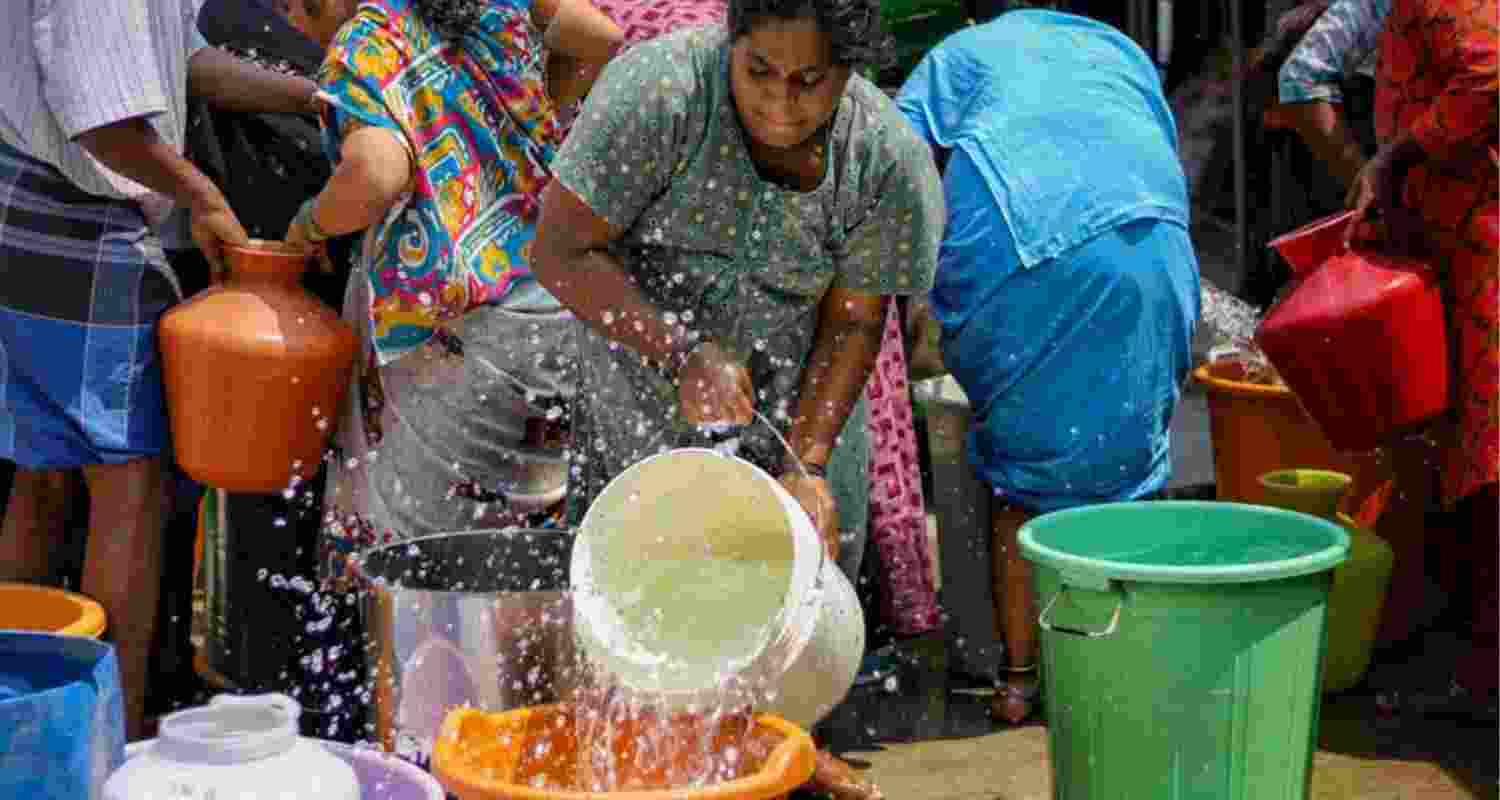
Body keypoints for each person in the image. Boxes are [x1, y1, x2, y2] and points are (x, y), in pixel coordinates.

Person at [530, 0, 943, 791]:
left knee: (791, 580)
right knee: (647, 581)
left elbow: (855, 321)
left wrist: (812, 460)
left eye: (809, 83)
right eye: (758, 72)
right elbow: (559, 249)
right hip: (641, 371)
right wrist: (678, 353)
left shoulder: (885, 159)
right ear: (731, 43)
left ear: (848, 74)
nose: (780, 104)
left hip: (801, 394)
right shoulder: (660, 96)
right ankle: (652, 760)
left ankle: (780, 754)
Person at [0, 0, 325, 740]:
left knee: (39, 474)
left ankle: (22, 723)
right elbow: (106, 121)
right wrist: (204, 198)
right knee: (129, 482)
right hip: (80, 217)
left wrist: (313, 95)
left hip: (19, 198)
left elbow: (179, 62)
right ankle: (110, 737)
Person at [896, 1, 1201, 724]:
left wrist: (908, 293)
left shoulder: (960, 54)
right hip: (1157, 257)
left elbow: (893, 155)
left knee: (1024, 489)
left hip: (1021, 262)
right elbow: (1151, 145)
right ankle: (1131, 665)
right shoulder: (1117, 47)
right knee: (1133, 475)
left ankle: (1020, 681)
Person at [280, 0, 621, 577]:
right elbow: (601, 36)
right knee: (522, 559)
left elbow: (376, 174)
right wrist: (546, 106)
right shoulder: (496, 8)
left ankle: (416, 660)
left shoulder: (371, 39)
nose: (291, 19)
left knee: (419, 561)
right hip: (555, 310)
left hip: (454, 334)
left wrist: (309, 224)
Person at [1344, 0, 1497, 714]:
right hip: (1455, 243)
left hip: (1484, 249)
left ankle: (1482, 670)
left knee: (1488, 459)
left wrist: (1398, 153)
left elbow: (1490, 75)